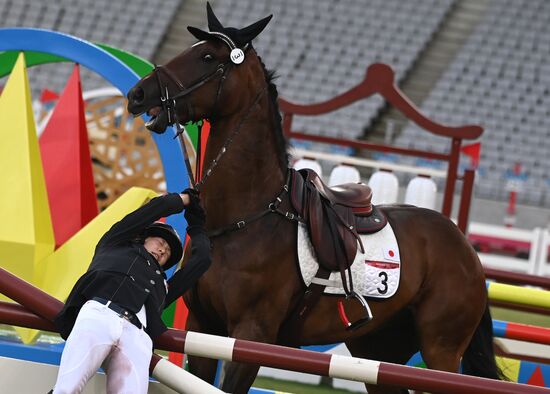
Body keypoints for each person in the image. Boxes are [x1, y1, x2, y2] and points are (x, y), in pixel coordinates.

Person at [51, 189, 210, 394]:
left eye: (168, 252)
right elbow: (155, 208)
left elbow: (203, 259)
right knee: (66, 390)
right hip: (100, 315)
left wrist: (197, 226)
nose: (163, 250)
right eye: (160, 242)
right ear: (142, 238)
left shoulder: (162, 285)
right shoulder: (114, 243)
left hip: (138, 337)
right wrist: (184, 200)